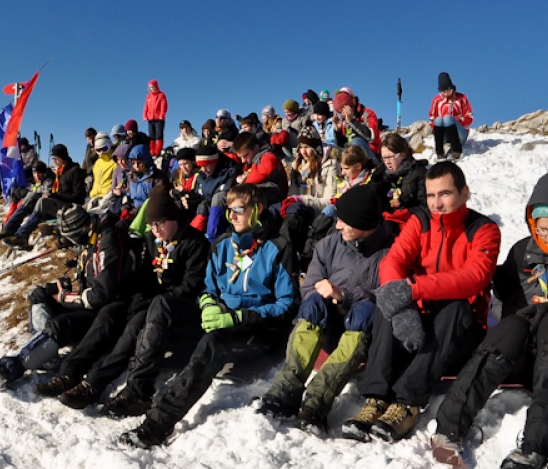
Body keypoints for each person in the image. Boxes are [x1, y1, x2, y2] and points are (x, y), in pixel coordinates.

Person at [435, 170, 548, 469]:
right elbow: (500, 288)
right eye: (543, 229)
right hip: (518, 354)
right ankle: (449, 427)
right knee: (511, 326)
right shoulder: (523, 252)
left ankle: (536, 445)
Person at [120, 185, 299, 445]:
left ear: (257, 210)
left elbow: (287, 305)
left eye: (239, 209)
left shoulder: (278, 247)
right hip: (221, 317)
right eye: (229, 210)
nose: (232, 216)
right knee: (163, 305)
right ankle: (138, 389)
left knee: (211, 344)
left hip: (256, 328)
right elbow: (208, 287)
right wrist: (207, 305)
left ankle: (158, 424)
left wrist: (238, 318)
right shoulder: (223, 244)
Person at [342, 161, 500, 442]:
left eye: (445, 194)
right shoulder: (420, 221)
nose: (436, 204)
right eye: (430, 195)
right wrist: (402, 307)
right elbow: (394, 260)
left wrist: (413, 289)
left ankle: (407, 403)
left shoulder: (483, 229)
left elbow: (473, 277)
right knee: (387, 299)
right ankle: (376, 398)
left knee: (454, 306)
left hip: (459, 329)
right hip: (417, 324)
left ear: (464, 193)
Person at [35, 190, 209, 413]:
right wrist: (139, 298)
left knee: (134, 328)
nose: (156, 229)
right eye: (152, 224)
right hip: (151, 300)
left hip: (178, 307)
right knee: (112, 315)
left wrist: (152, 300)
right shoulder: (153, 241)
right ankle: (73, 372)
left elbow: (191, 286)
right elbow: (144, 276)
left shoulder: (194, 243)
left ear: (173, 218)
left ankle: (95, 383)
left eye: (160, 223)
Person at [256, 185, 397, 434]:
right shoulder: (329, 245)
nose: (338, 225)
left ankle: (317, 402)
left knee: (365, 311)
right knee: (312, 303)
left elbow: (390, 295)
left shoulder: (390, 251)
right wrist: (327, 297)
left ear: (364, 223)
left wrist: (346, 297)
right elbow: (309, 286)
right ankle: (286, 390)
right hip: (326, 328)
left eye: (345, 221)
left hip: (362, 336)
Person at [0, 204, 146, 389]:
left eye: (70, 236)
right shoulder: (89, 238)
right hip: (89, 299)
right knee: (39, 295)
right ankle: (46, 355)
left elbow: (101, 294)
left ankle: (13, 368)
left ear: (82, 228)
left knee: (60, 325)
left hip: (105, 311)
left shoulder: (107, 241)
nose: (70, 241)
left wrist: (65, 297)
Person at [1, 144, 86, 246]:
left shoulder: (74, 171)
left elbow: (79, 197)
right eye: (52, 159)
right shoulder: (60, 172)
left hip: (71, 208)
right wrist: (52, 195)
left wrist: (54, 196)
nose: (54, 161)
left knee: (42, 202)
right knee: (32, 198)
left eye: (56, 158)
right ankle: (9, 228)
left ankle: (21, 236)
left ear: (63, 157)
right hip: (61, 203)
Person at [380, 132, 428, 223]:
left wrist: (406, 212)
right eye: (384, 158)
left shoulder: (419, 173)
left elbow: (425, 207)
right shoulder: (385, 175)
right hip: (389, 222)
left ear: (403, 155)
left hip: (411, 223)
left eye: (391, 157)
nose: (387, 162)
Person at [429, 72, 474, 162]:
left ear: (452, 88)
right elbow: (432, 118)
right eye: (443, 91)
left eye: (448, 90)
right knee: (438, 120)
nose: (446, 93)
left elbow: (470, 116)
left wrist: (457, 120)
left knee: (447, 118)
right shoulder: (437, 100)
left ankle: (457, 150)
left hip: (460, 135)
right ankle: (439, 152)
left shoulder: (461, 98)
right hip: (445, 136)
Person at [88, 132, 117, 203]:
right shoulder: (97, 163)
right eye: (98, 150)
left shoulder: (115, 162)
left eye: (105, 148)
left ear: (110, 146)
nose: (101, 152)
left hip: (107, 197)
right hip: (93, 196)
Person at [143, 79, 168, 153]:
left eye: (152, 87)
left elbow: (164, 106)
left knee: (159, 134)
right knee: (151, 135)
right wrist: (145, 115)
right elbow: (146, 106)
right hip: (150, 118)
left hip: (159, 119)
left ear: (156, 86)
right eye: (150, 87)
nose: (151, 89)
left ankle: (158, 150)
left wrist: (162, 115)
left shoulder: (161, 95)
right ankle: (152, 150)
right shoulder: (148, 96)